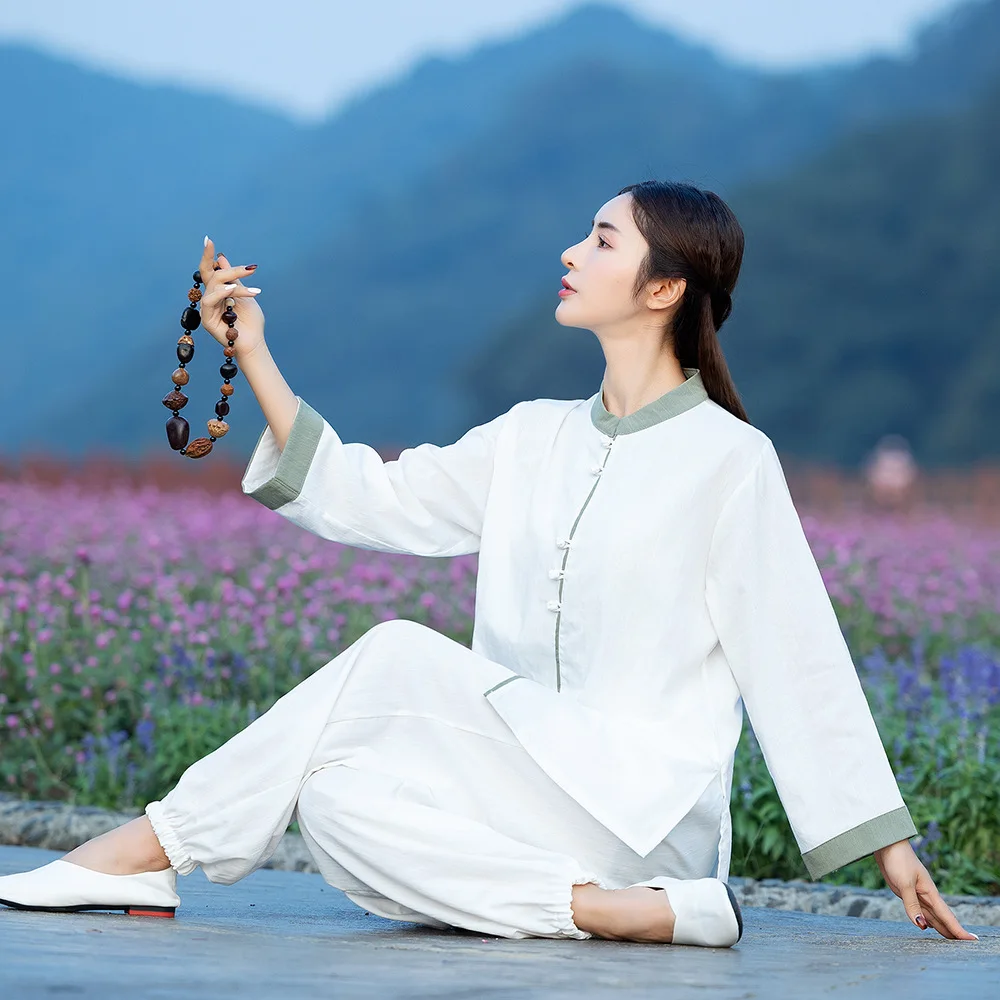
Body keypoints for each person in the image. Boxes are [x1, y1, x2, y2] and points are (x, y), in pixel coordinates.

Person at [0, 181, 977, 946]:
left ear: (664, 286)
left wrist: (887, 848)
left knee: (391, 654)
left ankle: (146, 847)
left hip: (645, 806)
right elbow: (366, 495)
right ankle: (622, 911)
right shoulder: (530, 437)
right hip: (535, 809)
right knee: (335, 804)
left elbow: (795, 654)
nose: (569, 251)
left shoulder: (729, 460)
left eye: (601, 239)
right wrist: (252, 353)